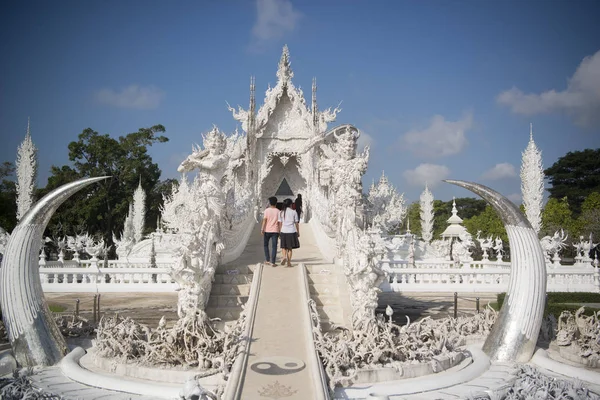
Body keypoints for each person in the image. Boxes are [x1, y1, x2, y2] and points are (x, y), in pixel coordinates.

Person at [278, 198, 300, 267]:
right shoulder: (294, 212)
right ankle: (289, 262)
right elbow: (296, 223)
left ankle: (284, 257)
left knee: (284, 247)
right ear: (290, 204)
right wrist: (298, 232)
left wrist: (279, 232)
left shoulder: (281, 212)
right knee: (290, 248)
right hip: (291, 231)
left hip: (284, 230)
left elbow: (280, 223)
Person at [261, 196, 280, 266]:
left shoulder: (266, 211)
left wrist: (262, 229)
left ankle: (267, 260)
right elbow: (279, 222)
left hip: (267, 230)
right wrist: (280, 231)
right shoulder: (278, 211)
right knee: (274, 246)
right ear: (276, 203)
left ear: (269, 203)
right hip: (275, 230)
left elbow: (264, 220)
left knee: (266, 245)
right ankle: (273, 262)